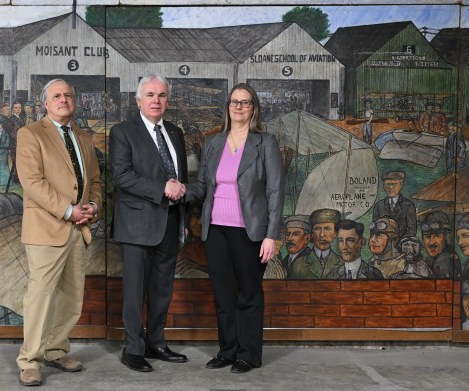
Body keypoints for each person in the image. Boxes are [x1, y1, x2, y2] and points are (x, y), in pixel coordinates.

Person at [185, 82, 284, 373]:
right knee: (223, 294)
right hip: (216, 230)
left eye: (244, 102)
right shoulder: (213, 143)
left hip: (249, 232)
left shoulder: (265, 142)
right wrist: (180, 190)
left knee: (249, 294)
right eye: (233, 102)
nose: (238, 106)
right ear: (228, 107)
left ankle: (248, 354)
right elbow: (203, 187)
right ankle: (227, 351)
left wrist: (271, 236)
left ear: (253, 108)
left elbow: (275, 192)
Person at [15, 79, 102, 387]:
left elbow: (95, 180)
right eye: (57, 96)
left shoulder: (83, 136)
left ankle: (56, 350)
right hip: (46, 228)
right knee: (40, 296)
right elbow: (32, 181)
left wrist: (93, 204)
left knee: (71, 296)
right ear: (45, 103)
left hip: (79, 229)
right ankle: (30, 360)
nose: (64, 99)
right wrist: (68, 209)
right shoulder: (30, 134)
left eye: (68, 95)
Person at [110, 74, 190, 373]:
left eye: (162, 95)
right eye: (150, 95)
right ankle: (133, 349)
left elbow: (181, 180)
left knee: (161, 288)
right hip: (136, 225)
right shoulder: (122, 132)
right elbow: (122, 176)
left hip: (169, 222)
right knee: (134, 290)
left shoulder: (175, 132)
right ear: (138, 99)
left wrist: (182, 219)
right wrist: (161, 189)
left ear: (167, 100)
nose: (156, 100)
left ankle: (156, 342)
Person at [289, 209, 342, 279]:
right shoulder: (298, 264)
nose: (322, 234)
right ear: (312, 233)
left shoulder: (342, 263)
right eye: (317, 229)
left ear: (335, 233)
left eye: (327, 229)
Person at [372, 171, 417, 238]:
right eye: (387, 184)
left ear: (401, 185)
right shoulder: (378, 206)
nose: (390, 187)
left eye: (394, 184)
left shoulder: (408, 205)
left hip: (401, 245)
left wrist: (397, 244)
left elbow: (412, 230)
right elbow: (374, 230)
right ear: (383, 186)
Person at [421, 211, 460, 279]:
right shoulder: (429, 259)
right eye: (427, 236)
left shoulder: (444, 260)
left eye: (437, 236)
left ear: (446, 237)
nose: (431, 242)